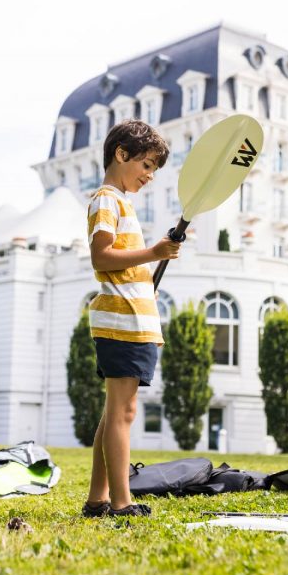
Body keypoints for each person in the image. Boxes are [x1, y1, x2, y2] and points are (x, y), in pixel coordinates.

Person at [81, 120, 180, 518]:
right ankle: (122, 502)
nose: (150, 176)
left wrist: (145, 280)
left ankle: (97, 499)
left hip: (132, 321)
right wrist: (153, 253)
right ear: (121, 154)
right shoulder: (107, 199)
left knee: (114, 413)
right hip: (121, 323)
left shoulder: (122, 202)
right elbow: (101, 257)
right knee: (122, 413)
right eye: (147, 165)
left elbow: (121, 266)